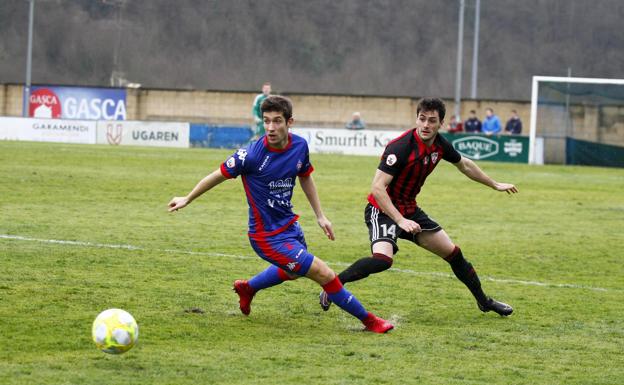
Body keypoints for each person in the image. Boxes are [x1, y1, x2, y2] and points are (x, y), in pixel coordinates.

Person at [169, 95, 393, 333]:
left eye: (277, 121)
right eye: (266, 121)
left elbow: (305, 175)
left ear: (290, 122)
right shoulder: (251, 155)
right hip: (266, 237)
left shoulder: (299, 146)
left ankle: (249, 288)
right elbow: (217, 174)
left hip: (289, 226)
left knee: (291, 272)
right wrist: (187, 198)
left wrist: (320, 215)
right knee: (324, 273)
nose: (270, 127)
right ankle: (370, 321)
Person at [319, 98, 517, 317]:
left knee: (454, 253)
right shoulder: (401, 147)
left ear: (441, 123)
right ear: (416, 119)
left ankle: (484, 302)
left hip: (410, 210)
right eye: (422, 119)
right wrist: (400, 221)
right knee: (383, 260)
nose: (425, 125)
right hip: (382, 210)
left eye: (432, 121)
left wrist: (494, 184)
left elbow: (465, 165)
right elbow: (377, 189)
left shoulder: (440, 145)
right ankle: (333, 285)